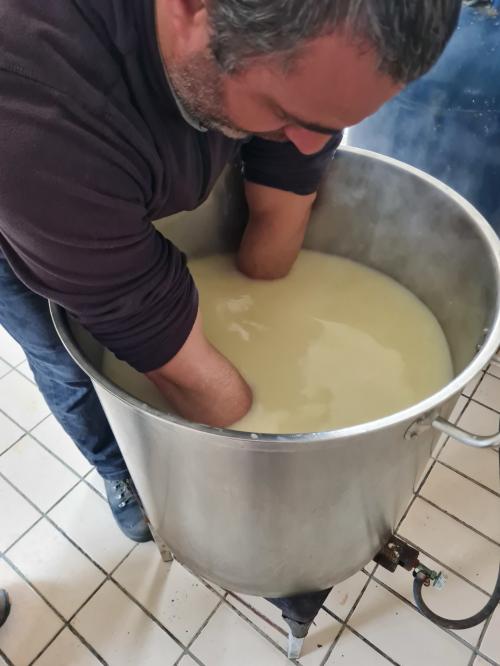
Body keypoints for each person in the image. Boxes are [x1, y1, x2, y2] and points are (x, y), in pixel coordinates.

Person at [0, 1, 461, 542]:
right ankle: (122, 470)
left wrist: (269, 303)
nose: (314, 141)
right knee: (63, 354)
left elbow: (287, 191)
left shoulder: (270, 46)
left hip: (99, 161)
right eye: (283, 110)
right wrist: (274, 473)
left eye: (333, 121)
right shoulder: (33, 109)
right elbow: (183, 369)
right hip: (20, 211)